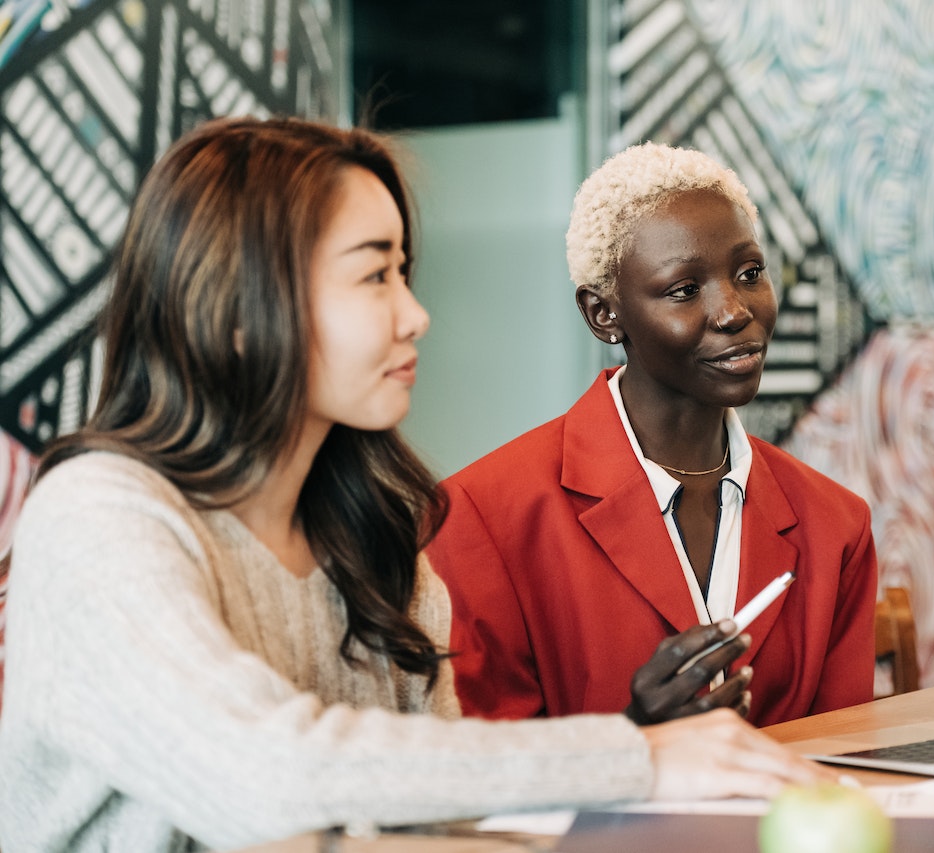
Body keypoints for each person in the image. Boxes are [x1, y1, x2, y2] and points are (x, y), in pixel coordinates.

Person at [0, 118, 833, 853]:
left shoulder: (372, 531)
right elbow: (269, 780)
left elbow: (439, 812)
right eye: (373, 277)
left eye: (404, 271)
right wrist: (638, 758)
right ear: (238, 308)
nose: (415, 313)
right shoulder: (96, 518)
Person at [427, 142, 879, 728]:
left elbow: (845, 764)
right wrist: (631, 738)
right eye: (685, 290)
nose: (733, 311)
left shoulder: (835, 526)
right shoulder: (481, 518)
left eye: (749, 274)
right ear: (603, 315)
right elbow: (481, 782)